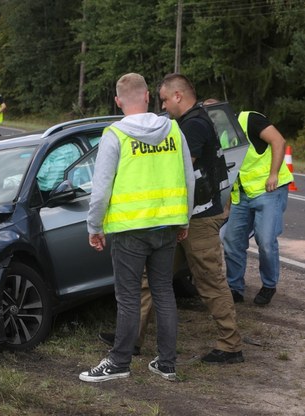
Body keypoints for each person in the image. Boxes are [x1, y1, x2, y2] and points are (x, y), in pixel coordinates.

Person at [79, 73, 194, 383]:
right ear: (147, 97)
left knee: (129, 297)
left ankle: (119, 362)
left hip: (130, 230)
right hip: (167, 225)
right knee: (164, 293)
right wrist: (184, 219)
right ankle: (166, 363)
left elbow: (101, 188)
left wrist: (94, 225)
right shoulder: (173, 128)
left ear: (118, 101)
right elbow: (189, 176)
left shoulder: (114, 134)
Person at [154, 74, 244, 364]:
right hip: (187, 216)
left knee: (210, 281)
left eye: (165, 99)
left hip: (199, 218)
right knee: (152, 277)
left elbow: (180, 170)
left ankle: (231, 345)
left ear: (178, 96)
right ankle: (130, 339)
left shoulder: (193, 125)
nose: (164, 106)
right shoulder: (199, 118)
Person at [221, 107, 293, 305]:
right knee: (232, 241)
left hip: (268, 190)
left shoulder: (249, 119)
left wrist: (274, 174)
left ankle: (269, 285)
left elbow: (278, 141)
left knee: (266, 241)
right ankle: (235, 288)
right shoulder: (223, 136)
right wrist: (227, 205)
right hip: (241, 196)